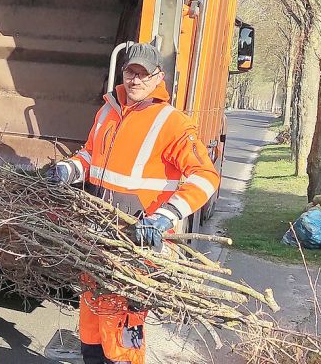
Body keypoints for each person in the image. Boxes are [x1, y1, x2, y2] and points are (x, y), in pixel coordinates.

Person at [47, 42, 221, 364]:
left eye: (143, 74)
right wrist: (66, 169)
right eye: (130, 72)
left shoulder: (173, 122)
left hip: (137, 242)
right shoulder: (107, 111)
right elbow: (90, 154)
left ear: (159, 77)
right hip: (97, 236)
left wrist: (164, 217)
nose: (135, 80)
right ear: (123, 73)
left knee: (125, 333)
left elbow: (206, 176)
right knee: (92, 327)